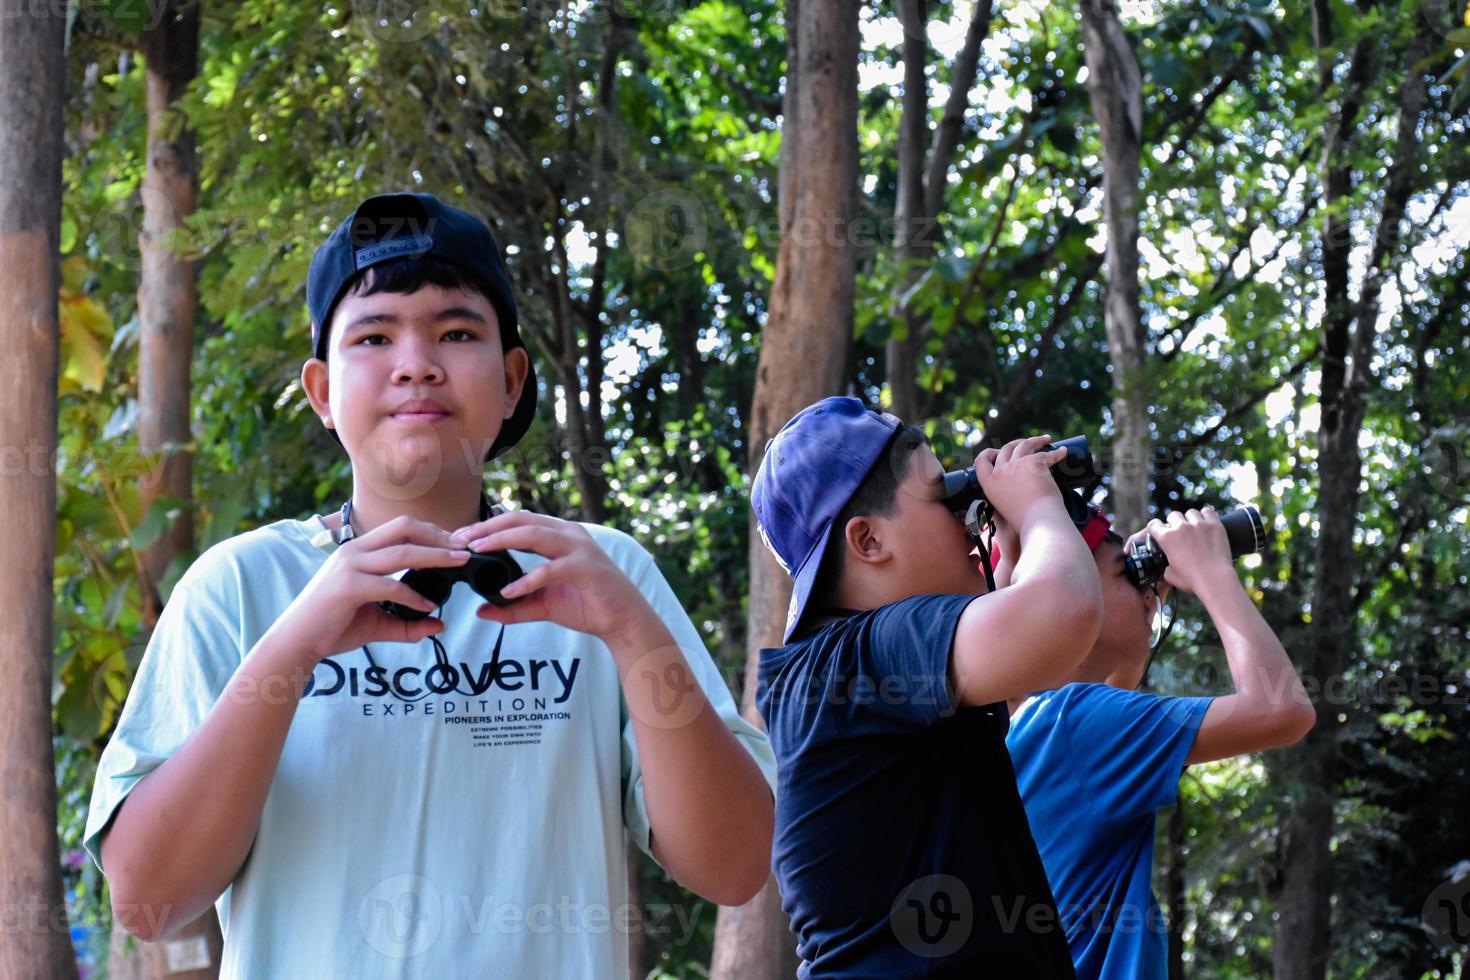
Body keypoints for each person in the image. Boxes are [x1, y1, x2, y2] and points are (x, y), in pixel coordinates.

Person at [85, 192, 776, 977]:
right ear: (320, 391)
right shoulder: (241, 586)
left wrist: (631, 631)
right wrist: (293, 648)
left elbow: (736, 864)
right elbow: (147, 899)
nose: (416, 362)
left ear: (512, 381)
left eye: (457, 331)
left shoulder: (599, 575)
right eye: (373, 335)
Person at [751, 396, 1105, 977]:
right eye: (944, 495)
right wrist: (1040, 507)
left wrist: (1011, 572)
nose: (966, 512)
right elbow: (1063, 614)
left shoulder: (837, 673)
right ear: (867, 542)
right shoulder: (867, 653)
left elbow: (1028, 661)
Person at [999, 505, 1317, 979]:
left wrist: (1144, 598)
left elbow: (1106, 695)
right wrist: (1212, 573)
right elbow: (1282, 711)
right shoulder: (1076, 723)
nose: (1148, 590)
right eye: (1125, 575)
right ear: (1073, 595)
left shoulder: (1029, 724)